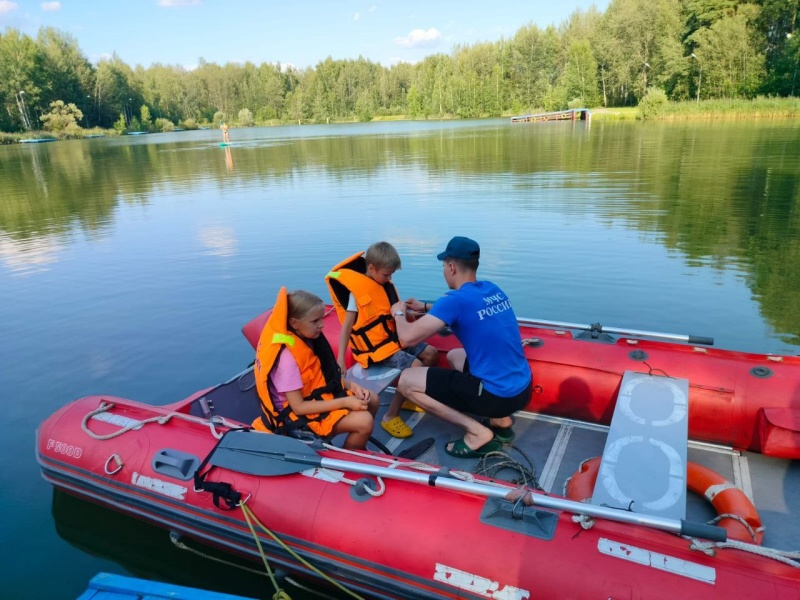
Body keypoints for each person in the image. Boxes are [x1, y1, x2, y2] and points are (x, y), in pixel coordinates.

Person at [390, 236, 533, 458]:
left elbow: (407, 338)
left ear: (451, 267)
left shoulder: (454, 300)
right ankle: (502, 422)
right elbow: (461, 308)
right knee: (456, 356)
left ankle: (477, 433)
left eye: (444, 266)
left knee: (407, 381)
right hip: (523, 390)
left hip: (496, 396)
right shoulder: (491, 288)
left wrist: (398, 313)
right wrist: (426, 306)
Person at [326, 241, 438, 439]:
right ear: (371, 268)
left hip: (394, 340)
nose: (390, 278)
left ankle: (410, 397)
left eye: (392, 274)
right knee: (416, 366)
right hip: (376, 351)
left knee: (431, 354)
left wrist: (408, 314)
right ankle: (389, 416)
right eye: (386, 274)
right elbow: (347, 329)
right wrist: (341, 359)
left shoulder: (383, 284)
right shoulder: (356, 295)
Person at [252, 287, 378, 449]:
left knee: (372, 399)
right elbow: (299, 406)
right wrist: (345, 401)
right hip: (297, 414)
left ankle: (358, 442)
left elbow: (323, 377)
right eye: (315, 321)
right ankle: (350, 456)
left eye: (321, 319)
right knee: (364, 422)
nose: (321, 325)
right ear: (294, 323)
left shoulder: (308, 339)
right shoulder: (288, 359)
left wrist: (353, 386)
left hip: (316, 396)